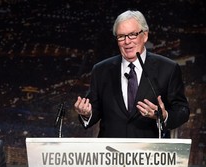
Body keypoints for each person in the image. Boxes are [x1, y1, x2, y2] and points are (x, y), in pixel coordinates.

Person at [74, 10, 190, 138]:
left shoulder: (168, 68)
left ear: (145, 35)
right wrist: (86, 113)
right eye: (121, 36)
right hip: (111, 152)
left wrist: (163, 115)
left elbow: (182, 110)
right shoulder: (101, 70)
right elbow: (94, 110)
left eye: (132, 35)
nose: (127, 41)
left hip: (150, 152)